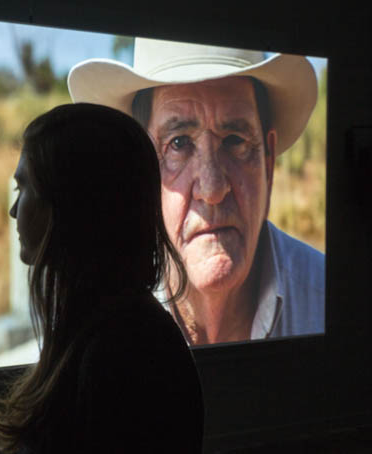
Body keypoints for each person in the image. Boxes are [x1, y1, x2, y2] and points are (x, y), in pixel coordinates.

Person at [0, 103, 206, 454]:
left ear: (69, 202)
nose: (15, 211)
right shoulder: (101, 333)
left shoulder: (126, 350)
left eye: (25, 187)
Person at [68, 38, 325, 344]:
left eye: (234, 140)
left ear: (268, 162)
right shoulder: (97, 328)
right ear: (141, 170)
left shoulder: (332, 303)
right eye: (179, 143)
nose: (212, 189)